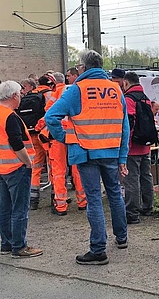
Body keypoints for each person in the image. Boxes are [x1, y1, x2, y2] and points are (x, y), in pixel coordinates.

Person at [45, 50, 130, 265]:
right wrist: (122, 156)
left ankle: (98, 249)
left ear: (83, 68)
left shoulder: (77, 90)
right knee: (114, 194)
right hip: (111, 151)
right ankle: (121, 237)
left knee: (93, 199)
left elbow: (50, 117)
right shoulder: (115, 89)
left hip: (85, 152)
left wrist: (65, 138)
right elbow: (124, 126)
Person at [0, 80, 43, 258]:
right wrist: (28, 162)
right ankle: (19, 246)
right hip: (16, 167)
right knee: (19, 208)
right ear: (13, 96)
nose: (21, 97)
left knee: (4, 208)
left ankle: (7, 244)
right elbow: (17, 144)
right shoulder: (10, 116)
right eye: (20, 94)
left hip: (1, 167)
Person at [43, 72, 87, 215]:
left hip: (59, 135)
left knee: (58, 170)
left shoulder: (57, 94)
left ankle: (61, 205)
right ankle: (83, 201)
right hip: (75, 134)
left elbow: (48, 113)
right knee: (78, 168)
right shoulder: (78, 91)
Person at [122, 71, 155, 224]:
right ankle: (148, 206)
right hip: (145, 146)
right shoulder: (145, 98)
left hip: (133, 147)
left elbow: (129, 124)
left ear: (126, 83)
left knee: (131, 179)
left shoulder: (129, 99)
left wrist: (125, 146)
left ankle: (132, 213)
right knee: (146, 176)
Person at [16, 75, 53, 211]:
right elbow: (51, 114)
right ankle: (55, 197)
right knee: (53, 165)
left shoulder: (28, 97)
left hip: (31, 135)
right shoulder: (49, 95)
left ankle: (33, 199)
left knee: (35, 166)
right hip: (45, 135)